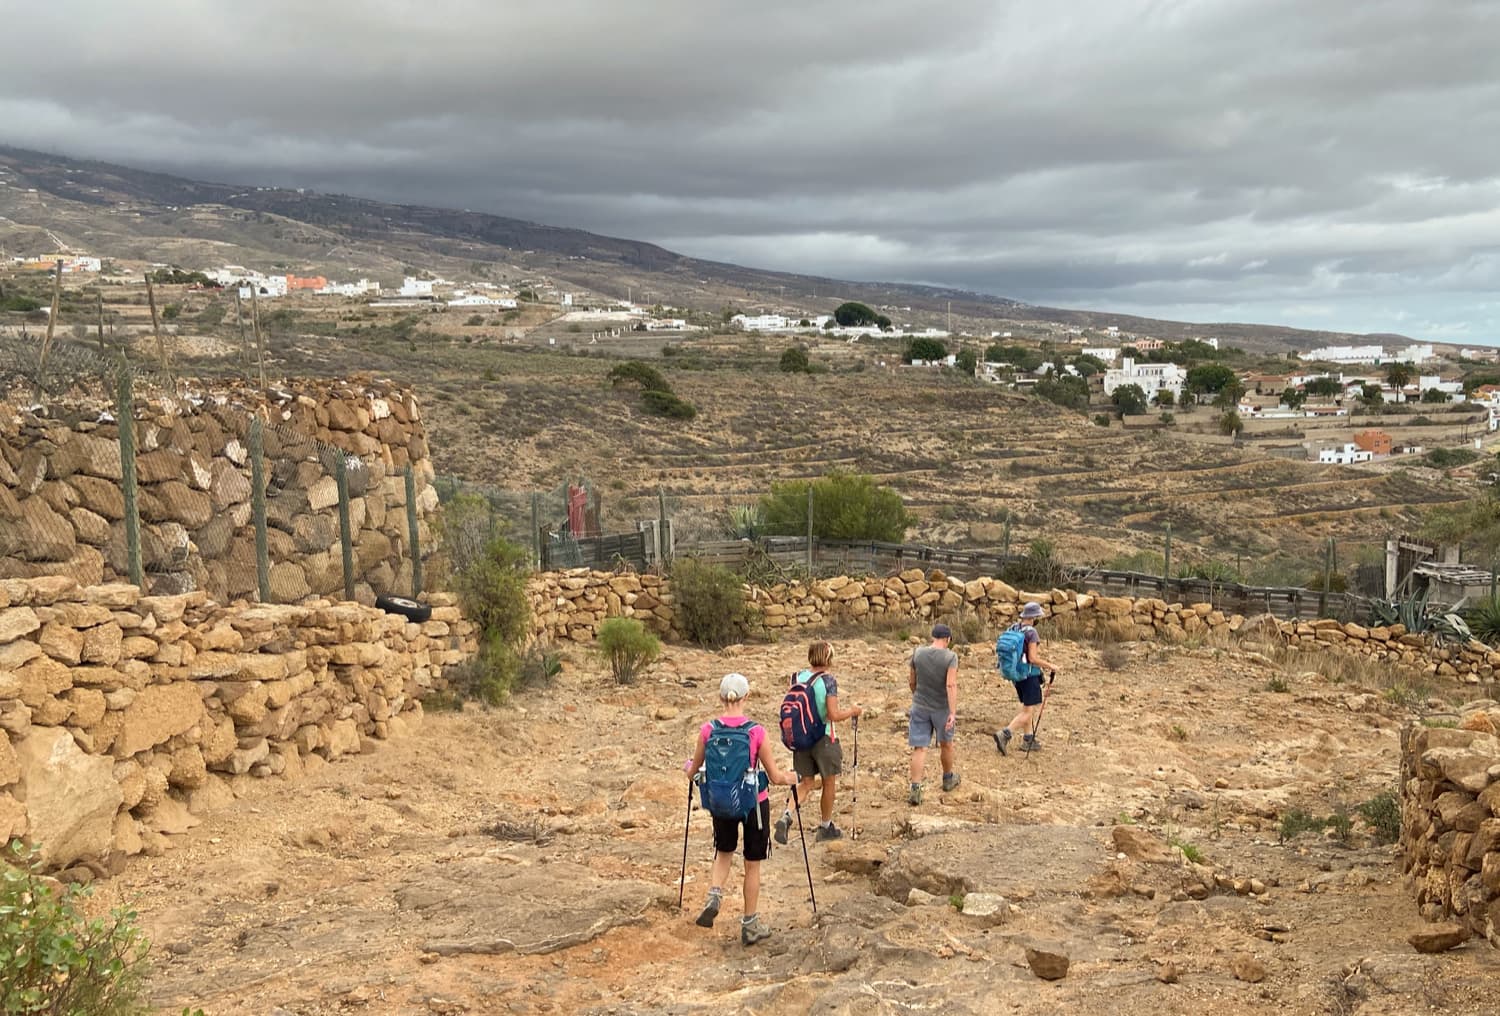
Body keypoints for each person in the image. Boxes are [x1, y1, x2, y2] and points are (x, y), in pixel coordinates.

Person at [685, 672, 797, 946]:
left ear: (721, 698)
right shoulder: (755, 731)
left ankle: (714, 894)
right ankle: (750, 924)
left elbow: (694, 770)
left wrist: (688, 767)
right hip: (753, 803)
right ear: (746, 697)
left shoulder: (708, 729)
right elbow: (773, 776)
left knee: (723, 852)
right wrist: (791, 778)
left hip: (721, 801)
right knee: (752, 864)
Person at [774, 640, 863, 844]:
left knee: (806, 783)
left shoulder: (797, 677)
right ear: (828, 658)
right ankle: (825, 826)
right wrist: (853, 711)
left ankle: (786, 815)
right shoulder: (828, 681)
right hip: (824, 738)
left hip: (801, 737)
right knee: (828, 781)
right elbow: (832, 714)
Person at [993, 601, 1058, 755]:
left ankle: (1029, 740)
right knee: (1028, 712)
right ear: (1035, 617)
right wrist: (1051, 666)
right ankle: (1005, 734)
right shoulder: (1032, 633)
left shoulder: (1014, 628)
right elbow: (1033, 658)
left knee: (1027, 708)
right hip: (1029, 675)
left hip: (1017, 675)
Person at [907, 623, 960, 805]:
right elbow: (950, 684)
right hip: (942, 708)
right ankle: (947, 779)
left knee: (920, 748)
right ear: (948, 639)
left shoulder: (918, 653)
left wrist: (918, 697)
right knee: (946, 744)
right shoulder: (951, 657)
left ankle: (915, 789)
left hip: (920, 705)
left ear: (933, 637)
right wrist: (952, 712)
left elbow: (912, 681)